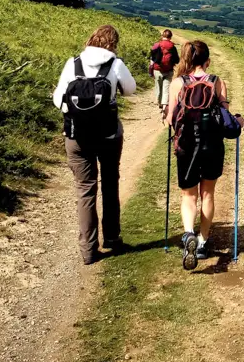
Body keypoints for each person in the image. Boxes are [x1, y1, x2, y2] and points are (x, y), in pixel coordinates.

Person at [53, 25, 137, 265]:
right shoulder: (115, 64)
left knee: (85, 190)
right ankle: (112, 237)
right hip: (108, 135)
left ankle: (88, 250)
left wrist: (77, 112)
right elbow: (130, 90)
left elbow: (58, 99)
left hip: (77, 136)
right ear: (113, 43)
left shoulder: (73, 63)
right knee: (110, 184)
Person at [164, 40, 244, 270]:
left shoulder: (178, 83)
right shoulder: (217, 82)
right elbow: (225, 117)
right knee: (207, 194)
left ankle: (189, 233)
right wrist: (238, 121)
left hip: (186, 146)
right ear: (207, 61)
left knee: (188, 195)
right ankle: (202, 242)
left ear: (187, 59)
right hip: (212, 145)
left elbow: (170, 120)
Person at [150, 29, 179, 117]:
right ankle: (164, 108)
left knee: (158, 88)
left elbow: (151, 57)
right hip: (168, 71)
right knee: (166, 90)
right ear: (170, 37)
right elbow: (177, 60)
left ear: (162, 36)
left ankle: (159, 103)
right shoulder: (172, 47)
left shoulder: (157, 45)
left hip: (157, 70)